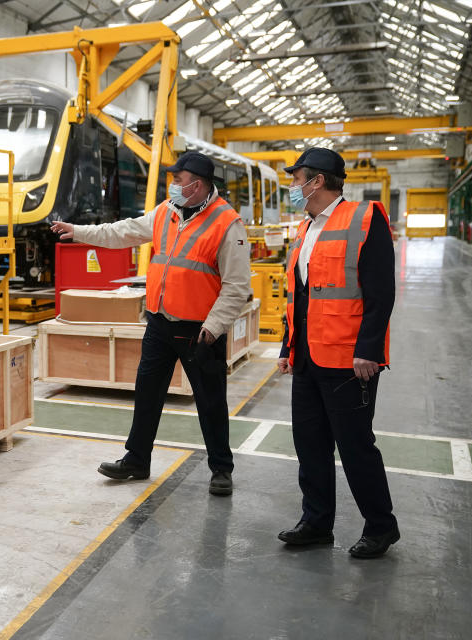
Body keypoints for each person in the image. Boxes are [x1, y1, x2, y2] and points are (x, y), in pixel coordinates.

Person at [50, 151, 251, 495]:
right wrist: (78, 231)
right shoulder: (165, 212)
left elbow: (237, 285)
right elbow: (121, 233)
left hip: (199, 331)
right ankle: (137, 460)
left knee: (210, 401)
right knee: (147, 394)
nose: (172, 185)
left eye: (178, 180)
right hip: (159, 322)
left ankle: (221, 468)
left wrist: (214, 327)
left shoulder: (227, 224)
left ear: (197, 185)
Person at [275, 147, 400, 559]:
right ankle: (316, 523)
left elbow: (381, 292)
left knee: (355, 446)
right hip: (309, 357)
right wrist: (286, 346)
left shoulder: (365, 219)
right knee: (309, 444)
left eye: (298, 178)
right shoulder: (303, 229)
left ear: (318, 181)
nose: (294, 186)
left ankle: (381, 527)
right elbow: (300, 296)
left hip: (349, 360)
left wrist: (368, 349)